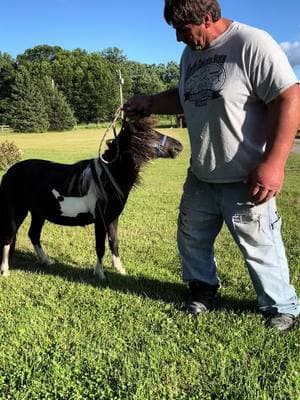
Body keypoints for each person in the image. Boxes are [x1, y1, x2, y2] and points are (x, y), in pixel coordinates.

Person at [123, 0, 300, 331]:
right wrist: (148, 102)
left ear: (207, 18)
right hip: (201, 174)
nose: (178, 38)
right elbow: (185, 94)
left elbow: (289, 97)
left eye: (183, 30)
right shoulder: (191, 53)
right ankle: (202, 289)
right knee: (191, 239)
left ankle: (280, 306)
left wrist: (274, 163)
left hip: (245, 177)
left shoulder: (251, 43)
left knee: (260, 247)